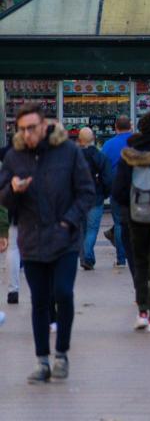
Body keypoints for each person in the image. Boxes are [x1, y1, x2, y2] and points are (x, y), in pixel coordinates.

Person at [0, 105, 95, 383]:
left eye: (32, 127)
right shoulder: (15, 157)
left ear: (44, 126)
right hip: (32, 239)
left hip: (64, 239)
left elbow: (86, 192)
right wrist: (13, 191)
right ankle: (43, 360)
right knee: (39, 301)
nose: (27, 134)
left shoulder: (68, 152)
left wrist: (68, 222)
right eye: (22, 129)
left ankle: (61, 354)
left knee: (63, 293)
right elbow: (3, 197)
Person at [111, 111, 150, 332]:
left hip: (135, 216)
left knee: (139, 263)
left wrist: (128, 207)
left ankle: (142, 312)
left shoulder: (129, 156)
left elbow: (118, 190)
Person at [77, 127, 113, 270]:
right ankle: (88, 258)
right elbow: (108, 179)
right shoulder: (100, 157)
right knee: (92, 229)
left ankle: (84, 257)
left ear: (79, 140)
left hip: (78, 198)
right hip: (95, 197)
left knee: (82, 230)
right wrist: (104, 193)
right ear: (93, 139)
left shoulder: (74, 156)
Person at [100, 115, 133, 265]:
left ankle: (121, 258)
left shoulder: (108, 144)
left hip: (116, 187)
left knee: (119, 223)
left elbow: (102, 165)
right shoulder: (136, 141)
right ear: (131, 126)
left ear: (115, 127)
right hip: (137, 188)